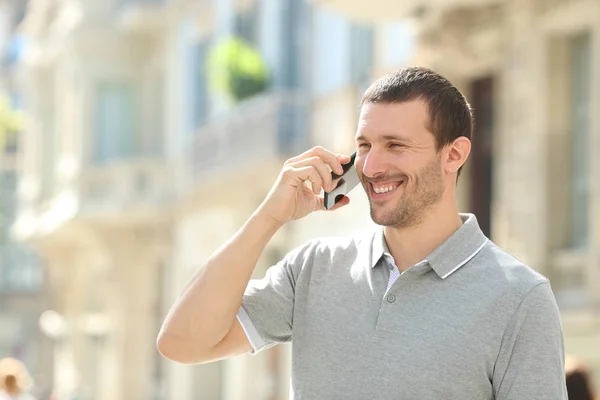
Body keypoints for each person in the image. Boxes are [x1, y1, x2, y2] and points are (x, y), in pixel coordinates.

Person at [158, 67, 568, 399]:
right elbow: (182, 343)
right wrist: (268, 217)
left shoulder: (520, 298)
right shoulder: (314, 269)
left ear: (454, 154)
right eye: (365, 145)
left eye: (395, 145)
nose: (371, 168)